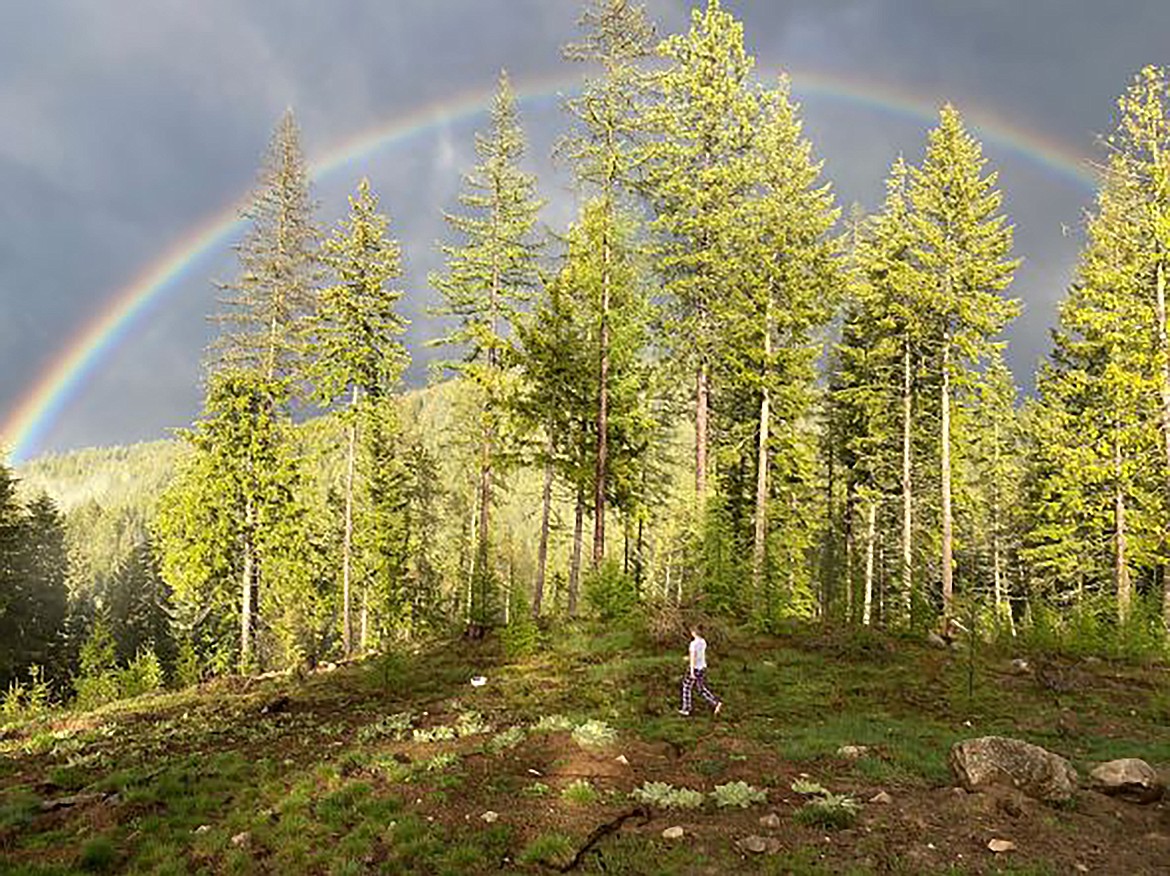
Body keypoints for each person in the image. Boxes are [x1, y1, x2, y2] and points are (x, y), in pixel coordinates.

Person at [679, 624, 722, 716]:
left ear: (694, 633)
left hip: (695, 668)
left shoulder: (693, 644)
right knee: (701, 688)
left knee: (686, 687)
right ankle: (715, 702)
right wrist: (688, 657)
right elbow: (699, 654)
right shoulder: (703, 642)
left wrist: (691, 671)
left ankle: (686, 708)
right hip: (702, 667)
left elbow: (693, 658)